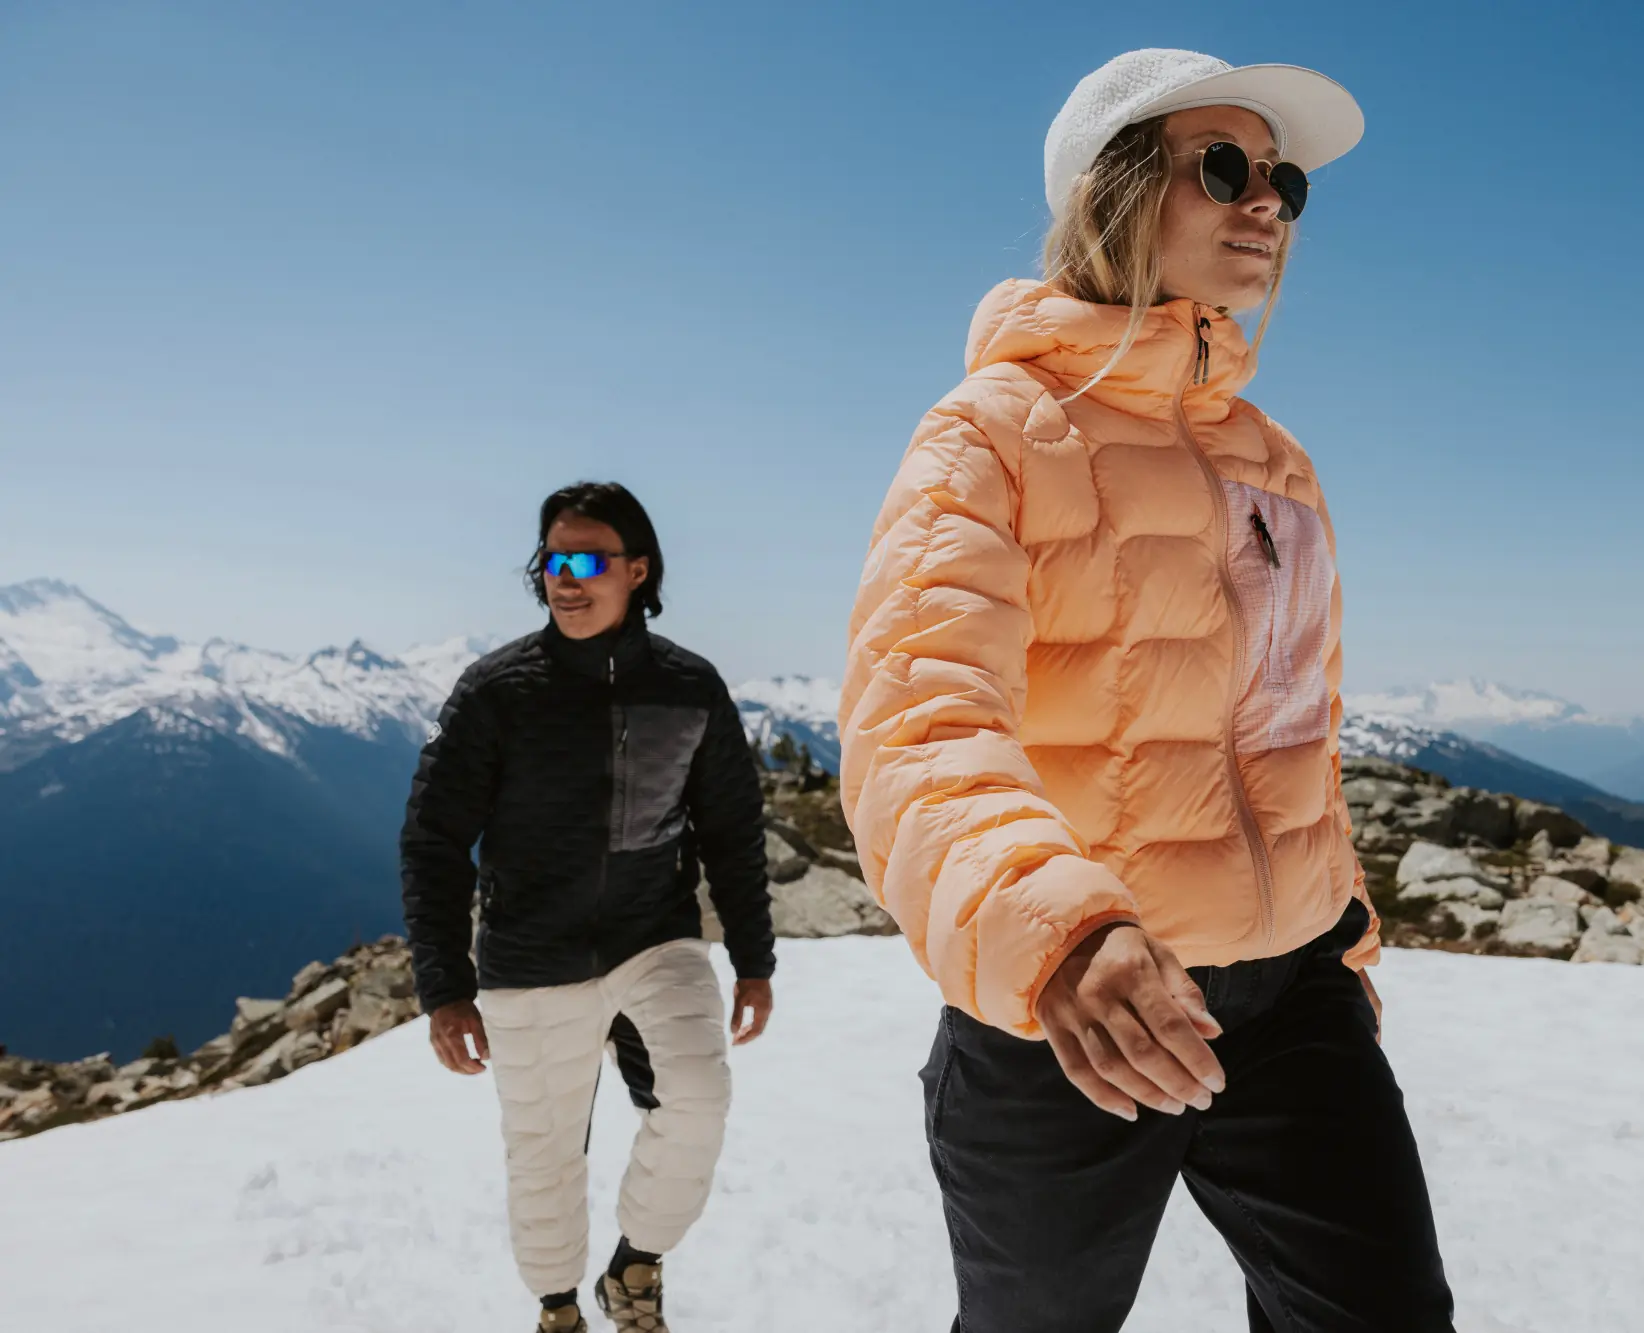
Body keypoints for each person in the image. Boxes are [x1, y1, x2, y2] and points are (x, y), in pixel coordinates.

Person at [839, 49, 1455, 1331]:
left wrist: (1342, 935)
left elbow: (1293, 722)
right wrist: (1063, 937)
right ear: (1112, 194)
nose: (1267, 201)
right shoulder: (991, 430)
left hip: (1291, 997)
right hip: (1066, 1006)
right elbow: (919, 716)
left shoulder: (1275, 462)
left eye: (1281, 178)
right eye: (1222, 166)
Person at [402, 481, 776, 1333]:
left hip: (655, 935)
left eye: (585, 561)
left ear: (638, 571)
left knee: (698, 1096)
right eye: (549, 562)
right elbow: (431, 840)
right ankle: (560, 1310)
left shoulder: (690, 689)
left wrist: (754, 959)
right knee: (543, 1159)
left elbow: (732, 830)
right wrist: (444, 987)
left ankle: (634, 1266)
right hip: (531, 954)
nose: (563, 581)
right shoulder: (496, 692)